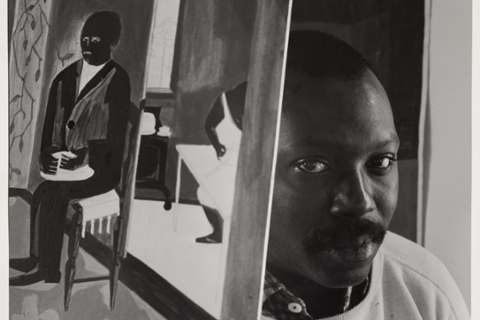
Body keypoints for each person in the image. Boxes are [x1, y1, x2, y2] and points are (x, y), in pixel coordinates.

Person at [262, 31, 469, 319]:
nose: (360, 202)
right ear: (246, 174)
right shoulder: (185, 298)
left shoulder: (424, 291)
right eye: (313, 166)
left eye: (381, 161)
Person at [9, 11, 131, 286]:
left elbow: (115, 139)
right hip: (69, 165)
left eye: (96, 40)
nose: (87, 46)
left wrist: (84, 157)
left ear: (112, 42)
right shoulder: (65, 77)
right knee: (41, 190)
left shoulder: (118, 80)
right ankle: (35, 257)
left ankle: (48, 271)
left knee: (57, 194)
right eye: (84, 39)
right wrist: (48, 152)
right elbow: (50, 125)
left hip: (100, 169)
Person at [195, 81, 247, 243]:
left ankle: (229, 232)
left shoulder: (265, 104)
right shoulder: (226, 99)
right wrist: (218, 147)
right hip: (232, 162)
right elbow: (209, 124)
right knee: (205, 192)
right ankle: (219, 232)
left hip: (252, 165)